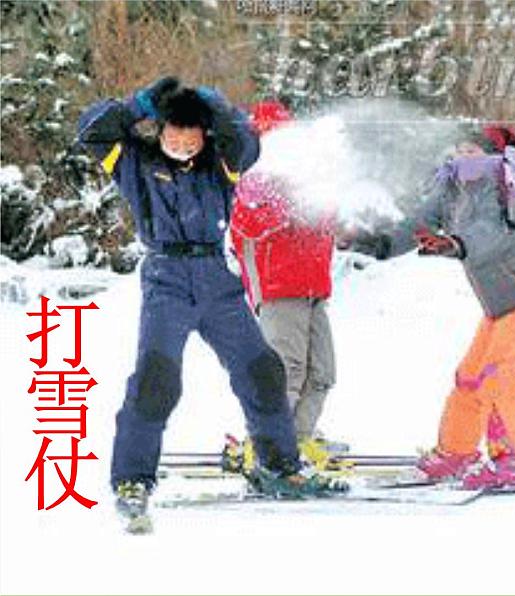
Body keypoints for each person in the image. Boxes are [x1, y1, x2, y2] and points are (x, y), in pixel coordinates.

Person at [77, 77, 330, 522]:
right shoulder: (134, 162)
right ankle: (132, 480)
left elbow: (247, 142)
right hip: (166, 280)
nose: (180, 143)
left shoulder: (221, 164)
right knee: (157, 380)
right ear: (160, 129)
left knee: (264, 373)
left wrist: (214, 103)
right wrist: (141, 102)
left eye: (190, 136)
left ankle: (279, 467)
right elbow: (92, 130)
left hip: (217, 279)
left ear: (202, 136)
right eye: (173, 133)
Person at [350, 125, 515, 489]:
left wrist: (455, 243)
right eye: (461, 151)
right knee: (469, 378)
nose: (464, 158)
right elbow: (420, 221)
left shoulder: (502, 186)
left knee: (499, 381)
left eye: (473, 152)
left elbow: (490, 232)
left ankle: (513, 461)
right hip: (500, 305)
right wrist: (383, 244)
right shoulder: (450, 187)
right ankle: (456, 453)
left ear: (491, 157)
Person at [229, 100, 339, 452]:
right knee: (285, 372)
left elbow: (327, 224)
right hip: (278, 289)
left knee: (322, 373)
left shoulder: (307, 176)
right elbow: (244, 228)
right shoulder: (250, 179)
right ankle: (266, 444)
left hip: (314, 288)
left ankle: (298, 440)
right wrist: (285, 202)